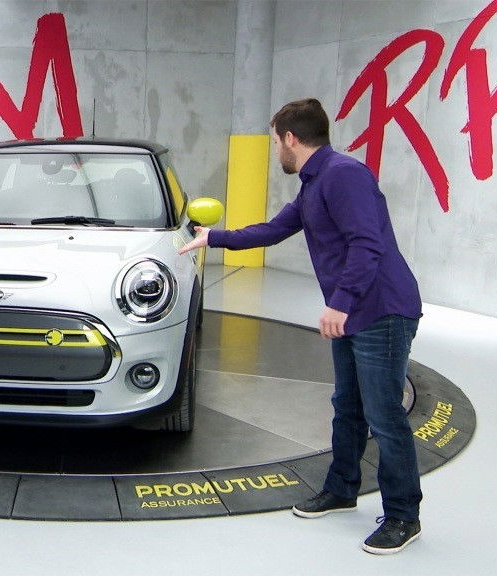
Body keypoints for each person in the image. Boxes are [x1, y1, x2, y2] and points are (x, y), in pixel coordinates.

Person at [179, 98, 423, 554]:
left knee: (385, 416)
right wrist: (215, 237)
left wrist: (341, 303)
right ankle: (342, 488)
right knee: (347, 406)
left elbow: (366, 243)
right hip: (355, 311)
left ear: (290, 138)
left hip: (382, 311)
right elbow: (274, 229)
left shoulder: (344, 175)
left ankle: (403, 516)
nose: (276, 150)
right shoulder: (315, 182)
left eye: (275, 141)